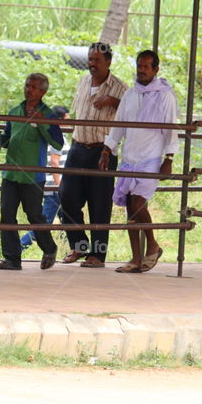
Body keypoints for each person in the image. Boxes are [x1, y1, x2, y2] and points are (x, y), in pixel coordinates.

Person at [100, 50, 179, 273]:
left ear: (155, 70)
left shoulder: (165, 95)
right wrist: (107, 149)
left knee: (137, 202)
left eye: (146, 67)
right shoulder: (130, 95)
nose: (141, 70)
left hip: (151, 158)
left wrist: (169, 158)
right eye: (139, 66)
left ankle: (152, 244)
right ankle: (136, 258)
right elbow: (119, 124)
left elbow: (171, 128)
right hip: (130, 157)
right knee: (130, 207)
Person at [59, 42, 128, 269]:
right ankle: (79, 245)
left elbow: (132, 116)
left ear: (108, 62)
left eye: (97, 60)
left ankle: (97, 255)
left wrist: (113, 102)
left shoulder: (120, 88)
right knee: (66, 196)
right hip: (78, 146)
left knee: (99, 205)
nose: (92, 64)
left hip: (103, 151)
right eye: (90, 59)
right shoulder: (83, 81)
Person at [0, 73, 64, 271]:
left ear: (43, 91)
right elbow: (6, 138)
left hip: (32, 175)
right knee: (7, 214)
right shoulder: (15, 111)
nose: (28, 89)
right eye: (27, 85)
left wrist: (42, 124)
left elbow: (58, 142)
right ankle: (12, 259)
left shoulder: (48, 114)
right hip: (10, 173)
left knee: (34, 214)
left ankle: (49, 248)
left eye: (33, 87)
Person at [21, 105, 68, 249]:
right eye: (66, 119)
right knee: (44, 222)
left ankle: (74, 247)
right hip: (55, 187)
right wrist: (59, 187)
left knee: (66, 219)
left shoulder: (51, 136)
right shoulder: (56, 137)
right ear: (58, 121)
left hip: (54, 186)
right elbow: (54, 163)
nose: (69, 123)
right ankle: (20, 245)